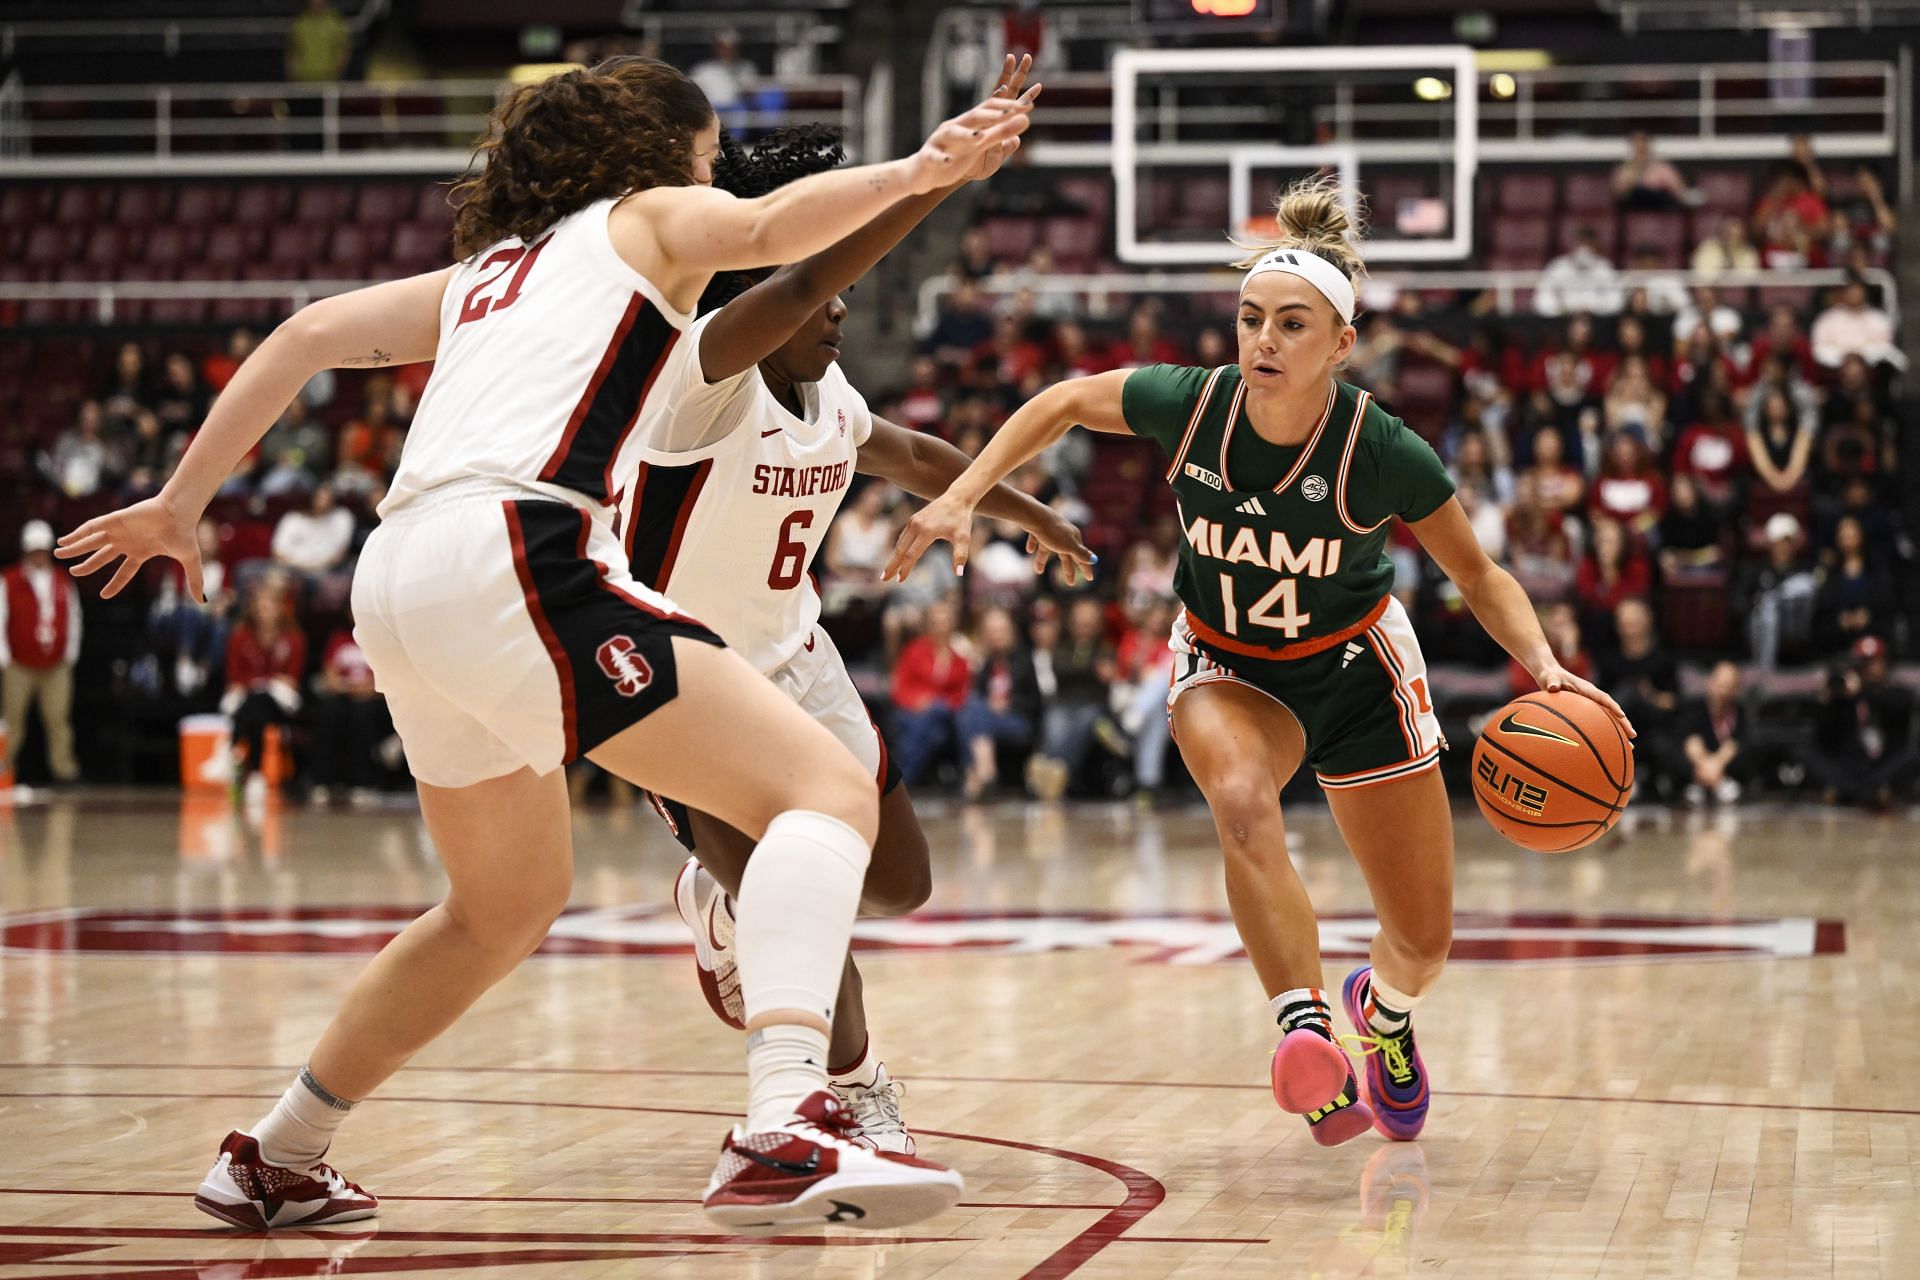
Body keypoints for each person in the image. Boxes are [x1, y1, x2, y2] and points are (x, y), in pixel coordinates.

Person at [59, 55, 1033, 1233]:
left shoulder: (490, 272)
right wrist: (928, 167)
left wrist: (183, 499)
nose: (713, 170)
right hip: (519, 543)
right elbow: (773, 224)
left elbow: (307, 332)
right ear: (658, 150)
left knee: (501, 905)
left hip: (400, 576)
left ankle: (279, 1152)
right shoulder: (644, 218)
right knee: (825, 787)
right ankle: (786, 1113)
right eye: (707, 150)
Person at [883, 176, 1632, 1148]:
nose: (1263, 340)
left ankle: (1385, 1015)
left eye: (1290, 323)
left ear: (1341, 344)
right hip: (1231, 664)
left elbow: (1481, 574)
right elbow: (1064, 400)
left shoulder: (1381, 448)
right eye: (1249, 320)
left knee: (1423, 939)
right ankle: (1304, 1026)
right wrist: (965, 496)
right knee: (1240, 796)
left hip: (1358, 671)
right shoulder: (1192, 407)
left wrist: (1545, 665)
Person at [610, 72, 1084, 1153]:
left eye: (841, 300)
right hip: (685, 681)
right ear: (762, 300)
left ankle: (715, 901)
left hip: (800, 662)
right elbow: (799, 278)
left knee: (900, 881)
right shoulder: (696, 378)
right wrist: (931, 176)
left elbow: (915, 454)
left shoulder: (829, 393)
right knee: (805, 897)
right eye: (818, 296)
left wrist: (1024, 513)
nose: (837, 311)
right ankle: (861, 1095)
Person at [1, 521, 83, 788]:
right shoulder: (9, 580)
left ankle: (64, 771)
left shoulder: (62, 581)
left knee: (58, 719)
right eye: (33, 550)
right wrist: (4, 657)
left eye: (42, 550)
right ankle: (4, 771)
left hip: (56, 664)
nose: (38, 555)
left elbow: (74, 619)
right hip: (19, 663)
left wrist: (70, 654)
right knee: (12, 720)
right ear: (25, 550)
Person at [222, 583, 306, 806]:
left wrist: (260, 682)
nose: (265, 611)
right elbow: (234, 676)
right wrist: (266, 681)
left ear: (281, 608)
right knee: (256, 705)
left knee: (259, 700)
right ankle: (256, 774)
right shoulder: (240, 636)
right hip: (249, 699)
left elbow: (292, 678)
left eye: (270, 605)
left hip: (280, 702)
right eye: (261, 605)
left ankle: (233, 752)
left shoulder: (293, 638)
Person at [1811, 636, 1916, 809]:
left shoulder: (1896, 692)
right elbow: (1824, 737)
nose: (1872, 668)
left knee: (1912, 756)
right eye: (1866, 663)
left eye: (1876, 662)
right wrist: (1830, 700)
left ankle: (1854, 791)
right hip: (1851, 766)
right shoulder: (1845, 696)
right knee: (1806, 751)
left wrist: (1862, 691)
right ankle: (1868, 792)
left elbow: (1898, 705)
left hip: (1882, 766)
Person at [308, 609, 395, 803]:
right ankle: (322, 782)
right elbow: (330, 677)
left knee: (363, 716)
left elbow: (387, 677)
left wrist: (366, 689)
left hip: (374, 698)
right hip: (343, 694)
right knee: (329, 712)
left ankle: (364, 783)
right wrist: (348, 687)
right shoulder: (339, 639)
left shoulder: (380, 639)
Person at [887, 597, 974, 787]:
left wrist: (935, 703)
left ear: (953, 624)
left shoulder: (960, 659)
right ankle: (905, 780)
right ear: (928, 624)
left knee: (937, 713)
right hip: (911, 713)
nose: (941, 627)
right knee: (933, 733)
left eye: (945, 622)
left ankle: (901, 779)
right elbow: (899, 687)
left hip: (943, 713)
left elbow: (962, 695)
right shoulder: (914, 651)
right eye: (936, 622)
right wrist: (917, 702)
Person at [958, 604, 1042, 799]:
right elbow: (976, 696)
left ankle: (980, 774)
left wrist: (1007, 706)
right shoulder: (986, 664)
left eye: (1001, 630)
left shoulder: (1024, 660)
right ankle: (982, 773)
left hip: (1018, 721)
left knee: (974, 711)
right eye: (992, 631)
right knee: (970, 710)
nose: (997, 636)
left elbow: (1035, 703)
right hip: (987, 721)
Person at [1680, 660, 1750, 806]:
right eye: (1719, 684)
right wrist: (1708, 770)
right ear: (1710, 682)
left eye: (1728, 686)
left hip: (1723, 767)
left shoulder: (1740, 712)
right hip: (1699, 769)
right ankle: (1714, 783)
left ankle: (1713, 782)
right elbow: (1692, 743)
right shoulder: (1695, 709)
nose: (1722, 690)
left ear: (1736, 689)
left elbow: (1734, 744)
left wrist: (1715, 766)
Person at [1810, 275, 1902, 371]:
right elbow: (1819, 349)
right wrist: (1844, 357)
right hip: (1835, 371)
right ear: (1843, 293)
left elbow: (1884, 347)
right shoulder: (1827, 319)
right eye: (1850, 290)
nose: (1854, 294)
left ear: (1865, 292)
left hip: (1871, 370)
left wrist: (1860, 356)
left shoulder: (1878, 319)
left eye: (1857, 290)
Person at [1534, 228, 1623, 317]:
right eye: (1580, 243)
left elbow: (1616, 302)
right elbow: (1541, 301)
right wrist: (1563, 308)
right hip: (1563, 319)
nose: (1583, 249)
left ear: (1595, 246)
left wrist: (1594, 308)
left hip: (1597, 321)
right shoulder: (1557, 267)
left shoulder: (1605, 268)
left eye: (1588, 244)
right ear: (1572, 245)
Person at [1611, 131, 1697, 210]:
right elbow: (1619, 194)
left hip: (1660, 205)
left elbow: (1679, 189)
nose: (1640, 146)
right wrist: (1636, 170)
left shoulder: (1662, 167)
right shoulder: (1623, 170)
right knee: (1638, 193)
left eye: (1643, 143)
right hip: (1635, 206)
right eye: (1637, 144)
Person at [1690, 216, 1759, 277]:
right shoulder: (1709, 248)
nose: (1734, 238)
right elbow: (1701, 278)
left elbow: (1749, 278)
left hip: (1737, 289)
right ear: (1721, 232)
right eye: (1729, 234)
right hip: (1712, 288)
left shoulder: (1748, 251)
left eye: (1737, 234)